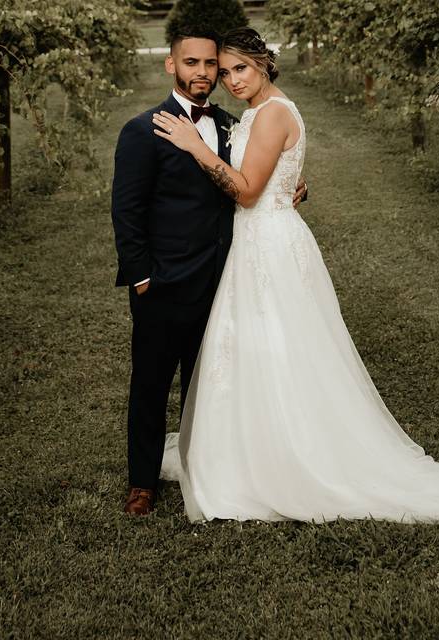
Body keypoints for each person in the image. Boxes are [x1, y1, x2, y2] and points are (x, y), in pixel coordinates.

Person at [153, 28, 439, 523]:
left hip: (267, 242)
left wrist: (191, 144)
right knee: (257, 346)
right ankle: (254, 442)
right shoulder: (264, 111)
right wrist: (286, 186)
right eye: (224, 72)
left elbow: (244, 191)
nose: (231, 80)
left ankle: (286, 457)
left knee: (278, 344)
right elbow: (270, 177)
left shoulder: (275, 113)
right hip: (261, 237)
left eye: (240, 68)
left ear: (264, 62)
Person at [111, 26, 308, 517]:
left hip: (224, 275)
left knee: (211, 381)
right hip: (163, 280)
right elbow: (127, 211)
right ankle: (142, 482)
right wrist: (140, 276)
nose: (204, 74)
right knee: (151, 382)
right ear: (171, 65)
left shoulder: (229, 124)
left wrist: (289, 189)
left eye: (212, 67)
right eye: (194, 64)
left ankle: (208, 464)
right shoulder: (144, 130)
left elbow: (251, 177)